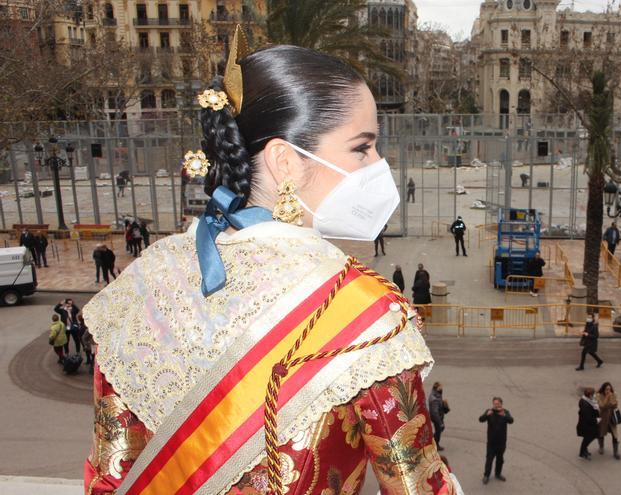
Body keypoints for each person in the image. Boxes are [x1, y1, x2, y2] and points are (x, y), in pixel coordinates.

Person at [82, 37, 454, 494]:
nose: (379, 164)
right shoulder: (363, 312)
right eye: (363, 148)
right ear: (285, 161)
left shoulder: (143, 280)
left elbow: (109, 475)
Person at [479, 397, 514, 484]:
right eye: (494, 404)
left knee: (500, 459)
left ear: (501, 404)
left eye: (498, 404)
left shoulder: (505, 412)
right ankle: (486, 475)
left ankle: (498, 474)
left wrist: (505, 416)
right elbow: (480, 419)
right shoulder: (489, 411)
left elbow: (511, 421)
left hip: (501, 442)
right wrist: (487, 415)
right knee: (489, 459)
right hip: (491, 442)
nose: (496, 405)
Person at [597, 382, 621, 460]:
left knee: (615, 436)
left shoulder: (613, 394)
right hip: (603, 418)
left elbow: (615, 405)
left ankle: (616, 452)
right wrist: (607, 398)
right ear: (603, 389)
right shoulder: (598, 395)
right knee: (601, 433)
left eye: (609, 389)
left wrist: (610, 398)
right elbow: (602, 406)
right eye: (606, 389)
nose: (608, 390)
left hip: (611, 419)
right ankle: (601, 447)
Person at [577, 387, 600, 459]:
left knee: (588, 438)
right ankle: (581, 453)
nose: (594, 396)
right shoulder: (585, 405)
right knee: (587, 439)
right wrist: (597, 420)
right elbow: (588, 418)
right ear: (590, 395)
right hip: (587, 426)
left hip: (588, 425)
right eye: (593, 394)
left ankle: (584, 451)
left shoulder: (589, 401)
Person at [428, 382, 450, 451]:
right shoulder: (434, 399)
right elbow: (435, 412)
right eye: (440, 387)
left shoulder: (437, 394)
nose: (442, 388)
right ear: (437, 388)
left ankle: (433, 443)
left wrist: (442, 403)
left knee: (440, 430)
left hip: (438, 416)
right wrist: (440, 423)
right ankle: (434, 444)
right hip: (437, 417)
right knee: (439, 430)